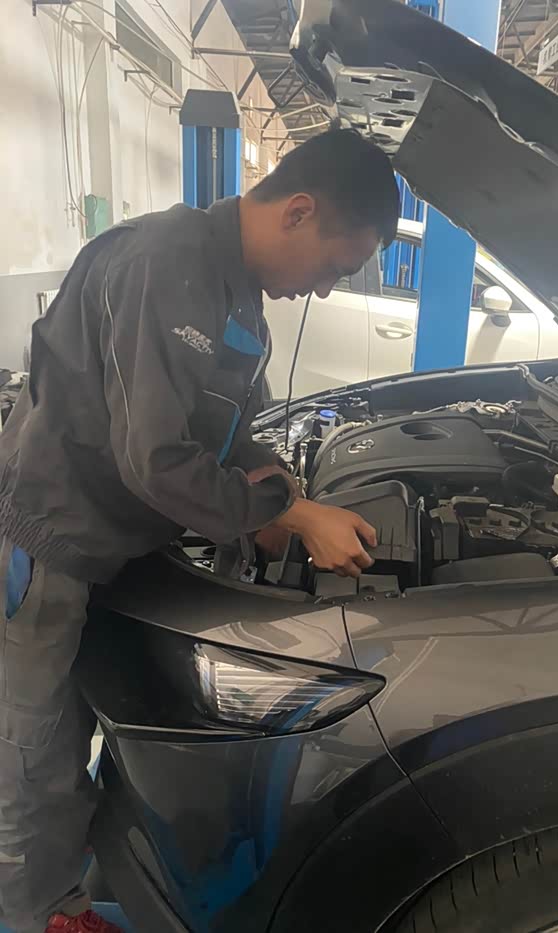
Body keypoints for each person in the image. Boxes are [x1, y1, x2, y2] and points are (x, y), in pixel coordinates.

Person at [0, 128, 399, 933]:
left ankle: (61, 888)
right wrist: (288, 512)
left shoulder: (237, 290)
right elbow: (155, 459)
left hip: (120, 544)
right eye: (334, 266)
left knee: (81, 730)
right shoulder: (164, 262)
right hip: (50, 541)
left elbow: (222, 430)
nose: (325, 290)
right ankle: (33, 913)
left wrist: (276, 491)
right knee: (33, 747)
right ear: (297, 211)